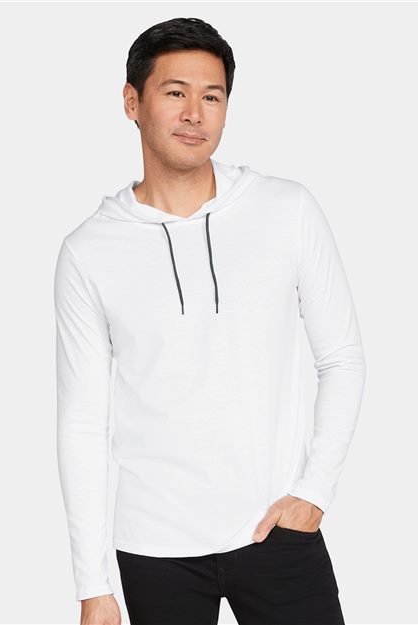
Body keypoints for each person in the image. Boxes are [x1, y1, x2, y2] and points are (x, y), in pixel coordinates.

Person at [53, 16, 366, 625]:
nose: (195, 113)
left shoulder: (287, 210)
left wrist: (314, 492)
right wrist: (92, 585)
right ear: (132, 103)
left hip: (278, 532)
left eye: (212, 96)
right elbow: (83, 422)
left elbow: (342, 358)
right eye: (175, 92)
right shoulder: (89, 251)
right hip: (154, 548)